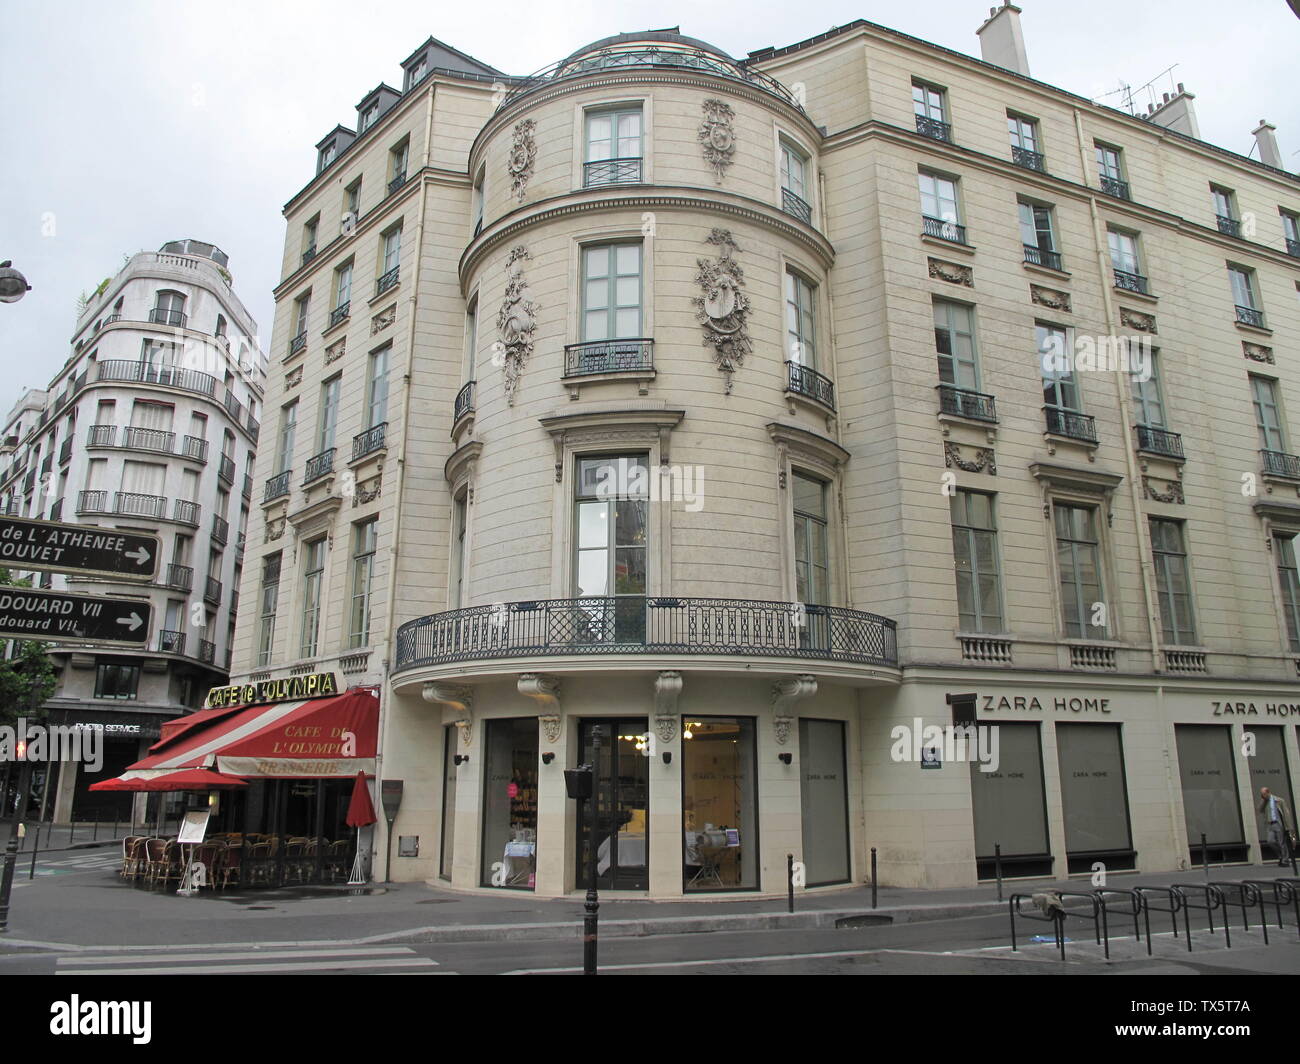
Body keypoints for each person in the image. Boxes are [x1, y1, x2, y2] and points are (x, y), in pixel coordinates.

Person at [1258, 787, 1293, 866]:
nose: (1263, 796)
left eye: (1264, 794)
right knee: (1270, 841)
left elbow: (1286, 813)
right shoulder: (1264, 802)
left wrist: (1288, 826)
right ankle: (1281, 856)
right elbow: (1260, 810)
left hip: (1278, 823)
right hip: (1270, 824)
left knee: (1281, 842)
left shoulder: (1279, 800)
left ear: (1268, 792)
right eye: (1262, 794)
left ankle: (1285, 860)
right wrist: (1263, 800)